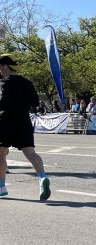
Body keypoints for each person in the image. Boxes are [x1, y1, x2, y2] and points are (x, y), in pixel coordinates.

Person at [0, 54, 51, 200]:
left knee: (1, 153)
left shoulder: (4, 82)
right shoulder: (27, 82)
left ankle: (1, 186)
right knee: (30, 152)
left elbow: (3, 102)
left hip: (5, 121)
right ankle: (42, 178)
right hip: (24, 121)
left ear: (5, 66)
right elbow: (35, 101)